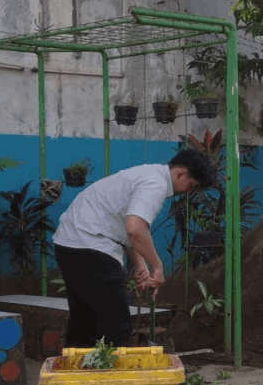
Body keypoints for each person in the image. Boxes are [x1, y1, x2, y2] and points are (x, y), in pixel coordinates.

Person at [52, 148, 215, 347]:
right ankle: (111, 376)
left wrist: (140, 265)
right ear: (180, 173)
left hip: (71, 243)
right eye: (191, 185)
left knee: (85, 321)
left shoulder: (148, 173)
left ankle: (76, 373)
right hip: (90, 246)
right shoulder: (155, 184)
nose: (188, 192)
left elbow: (128, 227)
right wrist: (157, 266)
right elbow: (136, 229)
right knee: (115, 326)